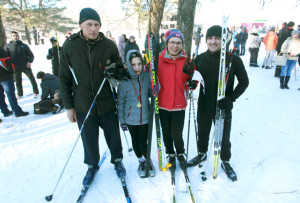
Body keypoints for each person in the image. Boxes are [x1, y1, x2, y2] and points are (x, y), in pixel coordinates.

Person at [59, 8, 129, 186]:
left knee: (113, 134)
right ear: (81, 25)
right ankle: (91, 165)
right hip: (83, 103)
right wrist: (69, 107)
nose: (93, 28)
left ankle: (118, 160)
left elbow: (119, 70)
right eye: (89, 24)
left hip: (106, 101)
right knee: (88, 137)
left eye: (97, 24)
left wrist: (116, 70)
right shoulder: (70, 46)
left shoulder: (108, 45)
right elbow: (64, 78)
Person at [188, 25, 249, 181]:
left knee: (223, 137)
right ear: (206, 40)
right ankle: (202, 154)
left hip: (223, 106)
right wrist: (190, 81)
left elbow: (244, 82)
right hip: (205, 104)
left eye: (217, 38)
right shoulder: (200, 59)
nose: (213, 41)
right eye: (210, 38)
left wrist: (231, 98)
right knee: (202, 133)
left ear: (223, 40)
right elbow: (195, 81)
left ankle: (225, 161)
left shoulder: (233, 59)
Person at [157, 29, 197, 172]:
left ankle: (180, 152)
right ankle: (171, 154)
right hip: (162, 104)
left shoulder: (187, 61)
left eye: (178, 43)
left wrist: (193, 83)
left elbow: (192, 79)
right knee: (166, 132)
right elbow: (150, 77)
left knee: (176, 133)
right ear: (167, 43)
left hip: (179, 103)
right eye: (172, 42)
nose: (175, 46)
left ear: (182, 44)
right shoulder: (158, 60)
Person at [117, 50, 157, 178]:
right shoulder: (124, 81)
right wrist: (122, 120)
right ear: (129, 64)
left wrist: (156, 87)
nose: (137, 68)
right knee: (135, 141)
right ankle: (141, 161)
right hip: (130, 119)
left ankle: (148, 160)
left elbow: (153, 90)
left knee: (143, 141)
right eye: (133, 65)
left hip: (145, 117)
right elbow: (121, 102)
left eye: (139, 64)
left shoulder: (146, 76)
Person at [4, 31, 39, 98]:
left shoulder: (24, 45)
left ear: (18, 36)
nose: (15, 37)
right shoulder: (8, 46)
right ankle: (20, 94)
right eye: (14, 36)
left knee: (32, 79)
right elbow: (6, 58)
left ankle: (36, 92)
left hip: (25, 66)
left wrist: (29, 61)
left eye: (16, 36)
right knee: (18, 82)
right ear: (11, 37)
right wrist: (10, 66)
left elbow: (31, 55)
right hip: (15, 67)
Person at [0, 47, 29, 117]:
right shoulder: (1, 52)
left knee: (0, 96)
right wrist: (11, 72)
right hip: (5, 77)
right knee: (10, 95)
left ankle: (5, 111)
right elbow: (8, 63)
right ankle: (17, 111)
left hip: (4, 76)